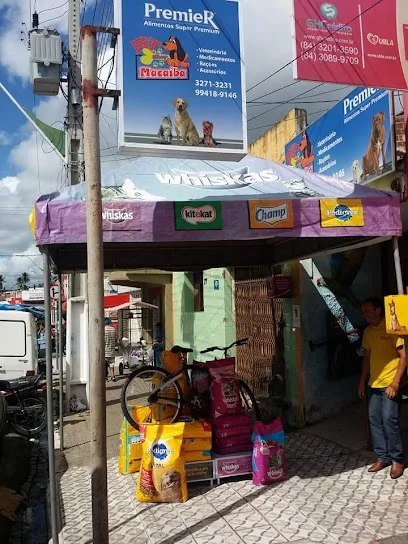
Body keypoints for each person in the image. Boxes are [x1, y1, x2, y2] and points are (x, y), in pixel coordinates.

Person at [359, 297, 406, 479]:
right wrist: (362, 380)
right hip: (374, 384)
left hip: (390, 384)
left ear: (379, 310)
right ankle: (382, 457)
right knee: (375, 420)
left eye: (368, 312)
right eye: (363, 313)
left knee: (389, 419)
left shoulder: (392, 327)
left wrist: (395, 382)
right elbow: (367, 358)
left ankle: (397, 460)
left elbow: (404, 357)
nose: (365, 316)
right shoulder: (368, 332)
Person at [104, 317, 117, 382]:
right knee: (112, 364)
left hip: (105, 351)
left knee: (105, 365)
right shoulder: (113, 329)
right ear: (109, 322)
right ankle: (113, 376)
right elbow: (115, 339)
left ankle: (105, 377)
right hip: (112, 350)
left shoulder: (103, 330)